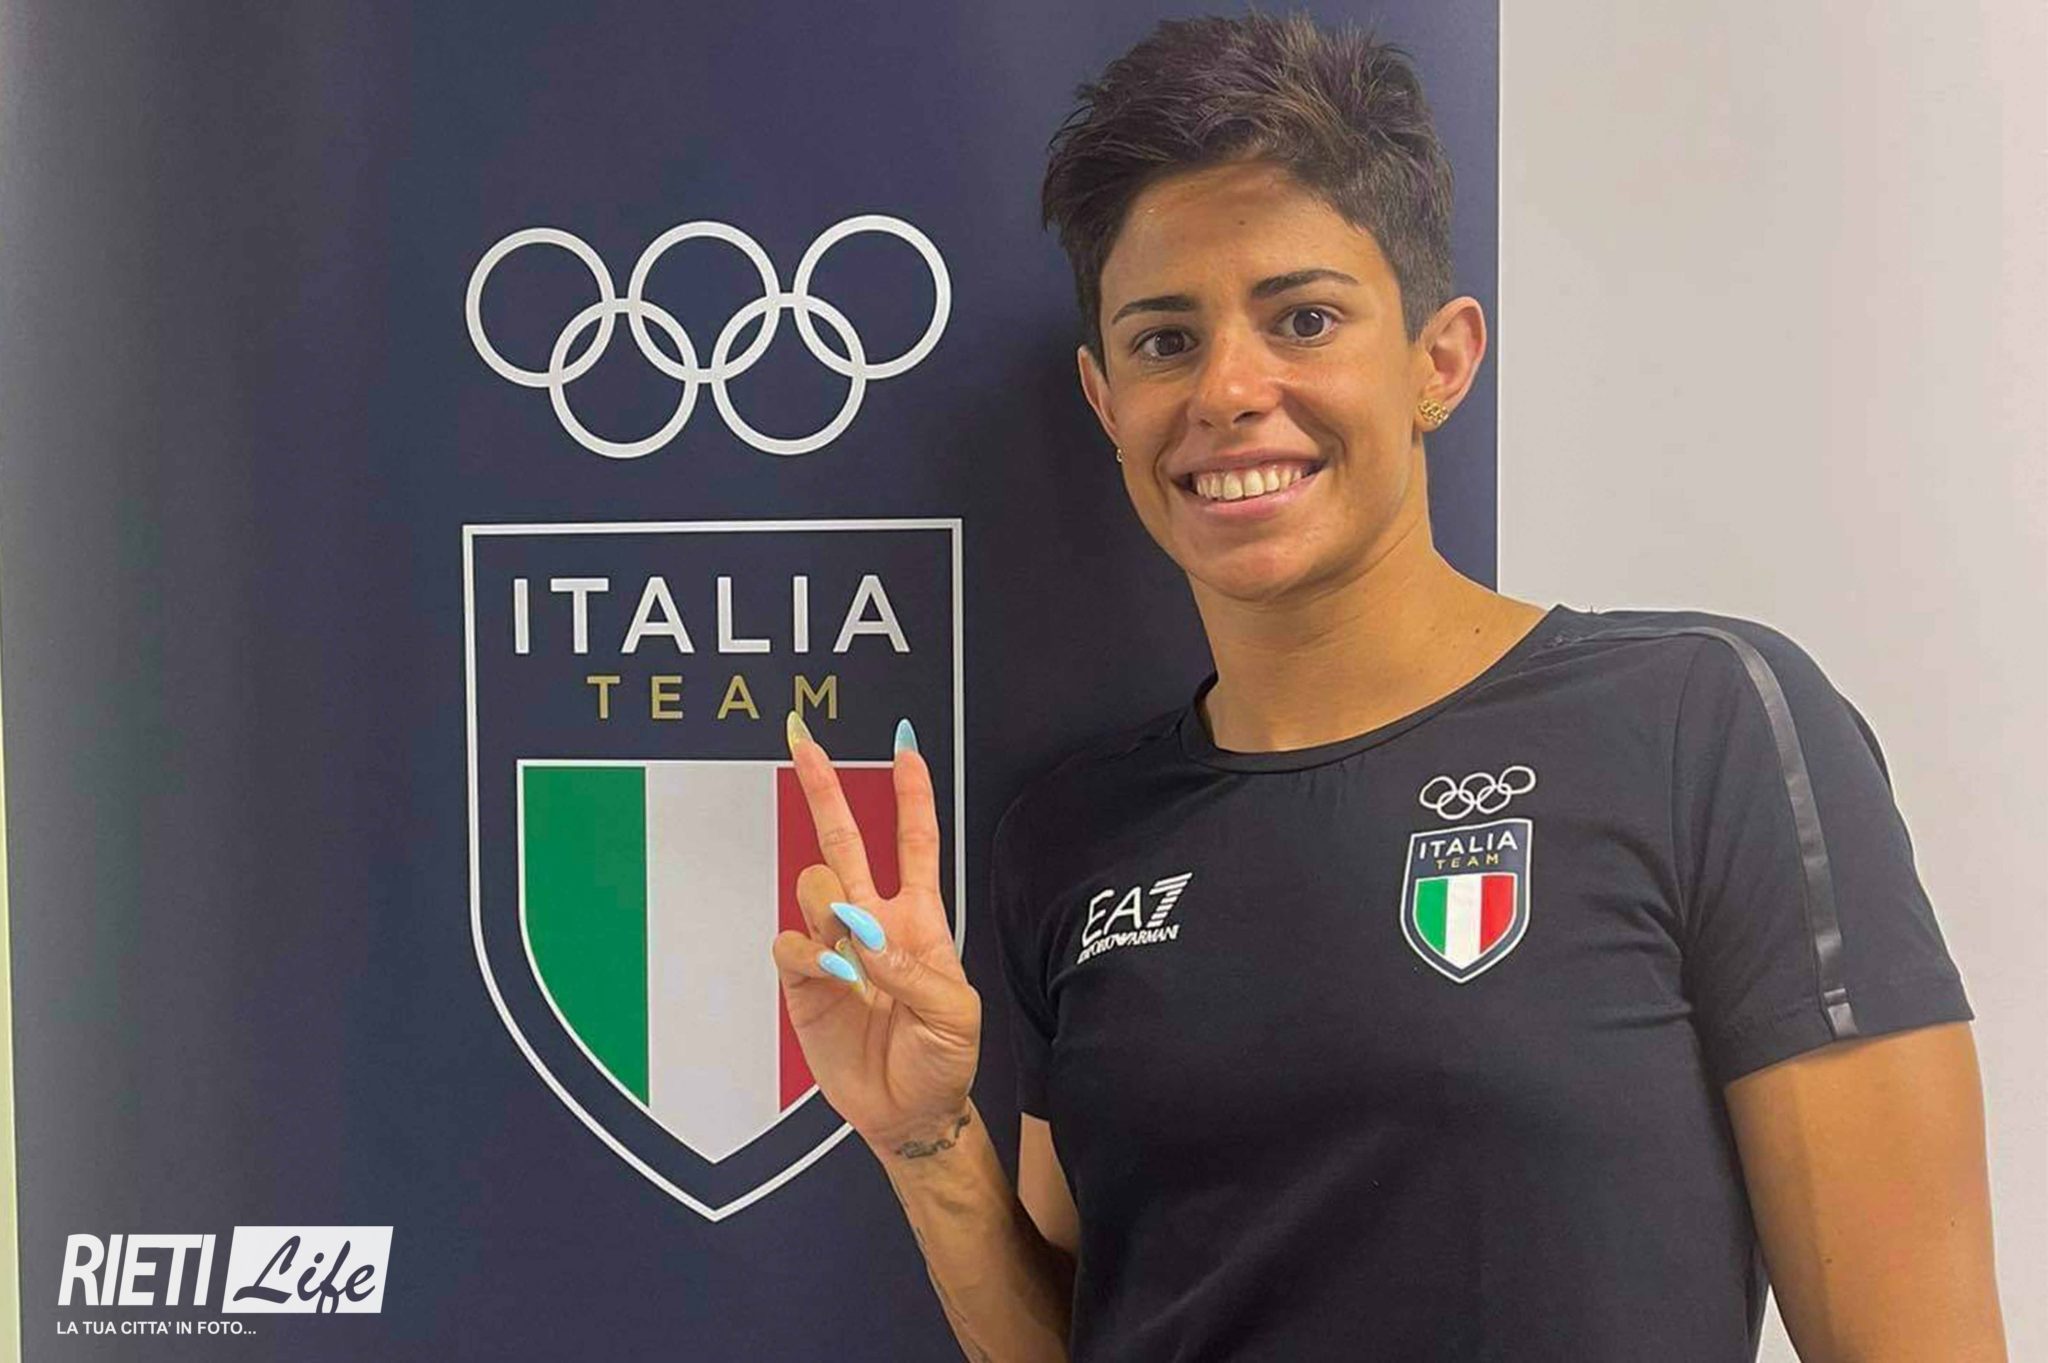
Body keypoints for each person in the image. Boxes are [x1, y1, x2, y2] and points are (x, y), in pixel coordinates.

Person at [769, 12, 2006, 1361]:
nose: (1229, 389)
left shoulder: (1702, 727)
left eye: (1302, 319)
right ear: (1106, 400)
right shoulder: (1069, 839)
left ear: (1439, 359)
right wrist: (930, 1141)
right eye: (1165, 340)